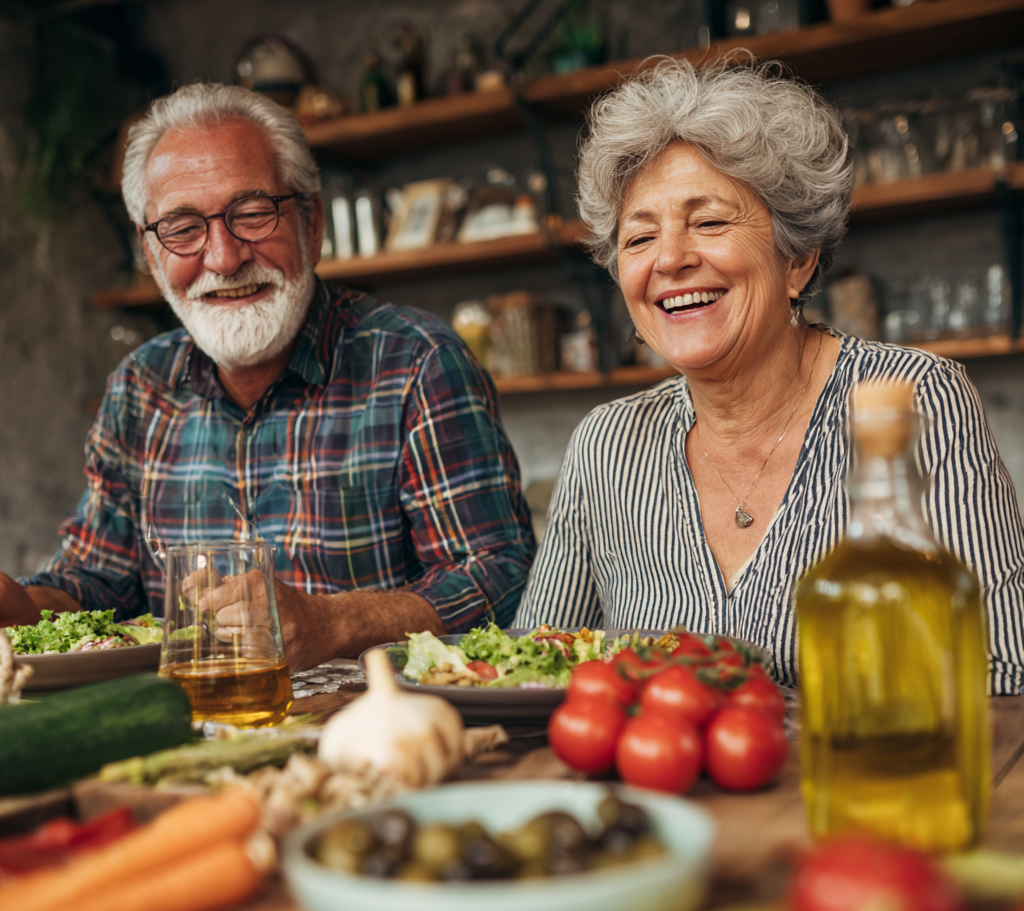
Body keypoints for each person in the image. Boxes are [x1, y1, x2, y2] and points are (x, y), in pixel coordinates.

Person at [514, 57, 1024, 693]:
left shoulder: (910, 403)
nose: (670, 259)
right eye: (639, 238)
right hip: (657, 787)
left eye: (709, 221)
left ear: (799, 259)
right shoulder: (608, 445)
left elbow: (1003, 675)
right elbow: (533, 672)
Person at [0, 83, 535, 671]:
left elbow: (502, 577)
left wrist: (333, 623)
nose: (224, 258)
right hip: (189, 729)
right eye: (182, 229)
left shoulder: (417, 362)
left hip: (374, 728)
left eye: (252, 213)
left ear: (312, 223)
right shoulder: (140, 387)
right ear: (151, 254)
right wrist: (22, 605)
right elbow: (96, 578)